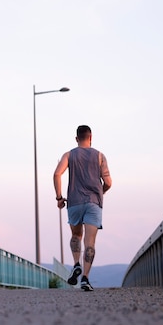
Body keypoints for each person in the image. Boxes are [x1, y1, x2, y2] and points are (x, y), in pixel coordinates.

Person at [53, 125, 112, 291]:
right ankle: (85, 278)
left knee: (76, 235)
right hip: (94, 202)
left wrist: (59, 197)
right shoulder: (100, 156)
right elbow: (108, 182)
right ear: (91, 137)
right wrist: (101, 192)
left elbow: (57, 174)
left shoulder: (69, 155)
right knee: (90, 242)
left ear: (76, 138)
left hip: (74, 202)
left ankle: (76, 264)